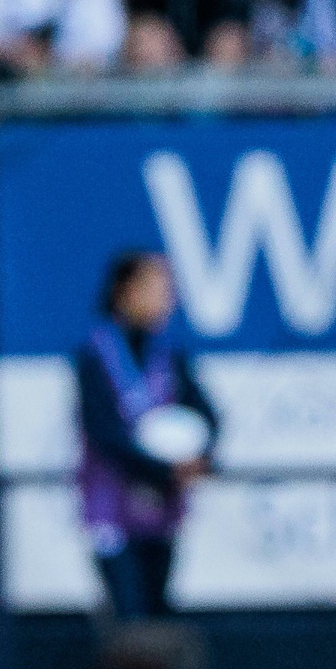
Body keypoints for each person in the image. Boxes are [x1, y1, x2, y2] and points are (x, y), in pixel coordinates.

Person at [75, 251, 217, 620]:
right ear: (124, 292)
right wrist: (162, 469)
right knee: (128, 617)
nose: (167, 298)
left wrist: (201, 458)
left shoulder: (170, 355)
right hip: (114, 511)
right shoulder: (95, 354)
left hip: (162, 512)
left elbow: (207, 416)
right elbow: (104, 431)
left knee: (159, 615)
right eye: (155, 288)